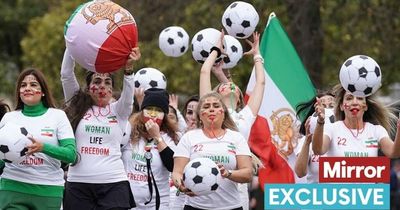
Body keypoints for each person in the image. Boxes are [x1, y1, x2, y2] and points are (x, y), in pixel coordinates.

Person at [61, 47, 140, 210]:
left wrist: (129, 70)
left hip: (113, 185)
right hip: (78, 185)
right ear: (88, 87)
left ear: (112, 89)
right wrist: (72, 44)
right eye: (97, 82)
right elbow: (66, 75)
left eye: (107, 82)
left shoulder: (119, 110)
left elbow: (128, 95)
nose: (102, 86)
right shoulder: (77, 106)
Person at [199, 30, 265, 210]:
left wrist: (257, 55)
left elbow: (260, 84)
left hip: (234, 189)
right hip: (204, 182)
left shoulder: (245, 116)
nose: (230, 85)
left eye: (234, 87)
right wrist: (216, 50)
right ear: (217, 94)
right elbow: (205, 72)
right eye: (225, 84)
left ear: (239, 98)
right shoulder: (210, 108)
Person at [0, 68, 77, 209]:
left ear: (43, 92)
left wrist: (43, 147)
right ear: (19, 92)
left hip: (49, 190)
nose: (27, 88)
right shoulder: (8, 118)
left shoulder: (58, 116)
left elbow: (71, 155)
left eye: (33, 84)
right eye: (23, 85)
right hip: (12, 186)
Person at [172, 92, 253, 210]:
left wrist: (228, 173)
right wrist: (181, 186)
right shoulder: (189, 137)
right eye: (206, 107)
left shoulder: (236, 138)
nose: (211, 110)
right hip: (195, 206)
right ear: (199, 115)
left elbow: (248, 174)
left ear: (224, 113)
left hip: (231, 207)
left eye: (216, 106)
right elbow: (177, 173)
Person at [123, 88, 179, 209]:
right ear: (142, 111)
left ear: (164, 115)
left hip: (157, 205)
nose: (153, 114)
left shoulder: (169, 137)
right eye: (149, 109)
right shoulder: (129, 132)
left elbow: (173, 166)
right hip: (128, 203)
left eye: (158, 110)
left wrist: (157, 137)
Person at [313, 84, 400, 159]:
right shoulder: (332, 129)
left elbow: (394, 153)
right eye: (349, 98)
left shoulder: (377, 130)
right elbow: (318, 150)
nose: (355, 102)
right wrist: (320, 121)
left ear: (365, 106)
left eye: (359, 98)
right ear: (341, 106)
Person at [294, 91, 335, 183]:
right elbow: (300, 173)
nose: (326, 110)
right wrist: (307, 141)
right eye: (323, 106)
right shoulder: (307, 139)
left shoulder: (349, 135)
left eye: (331, 105)